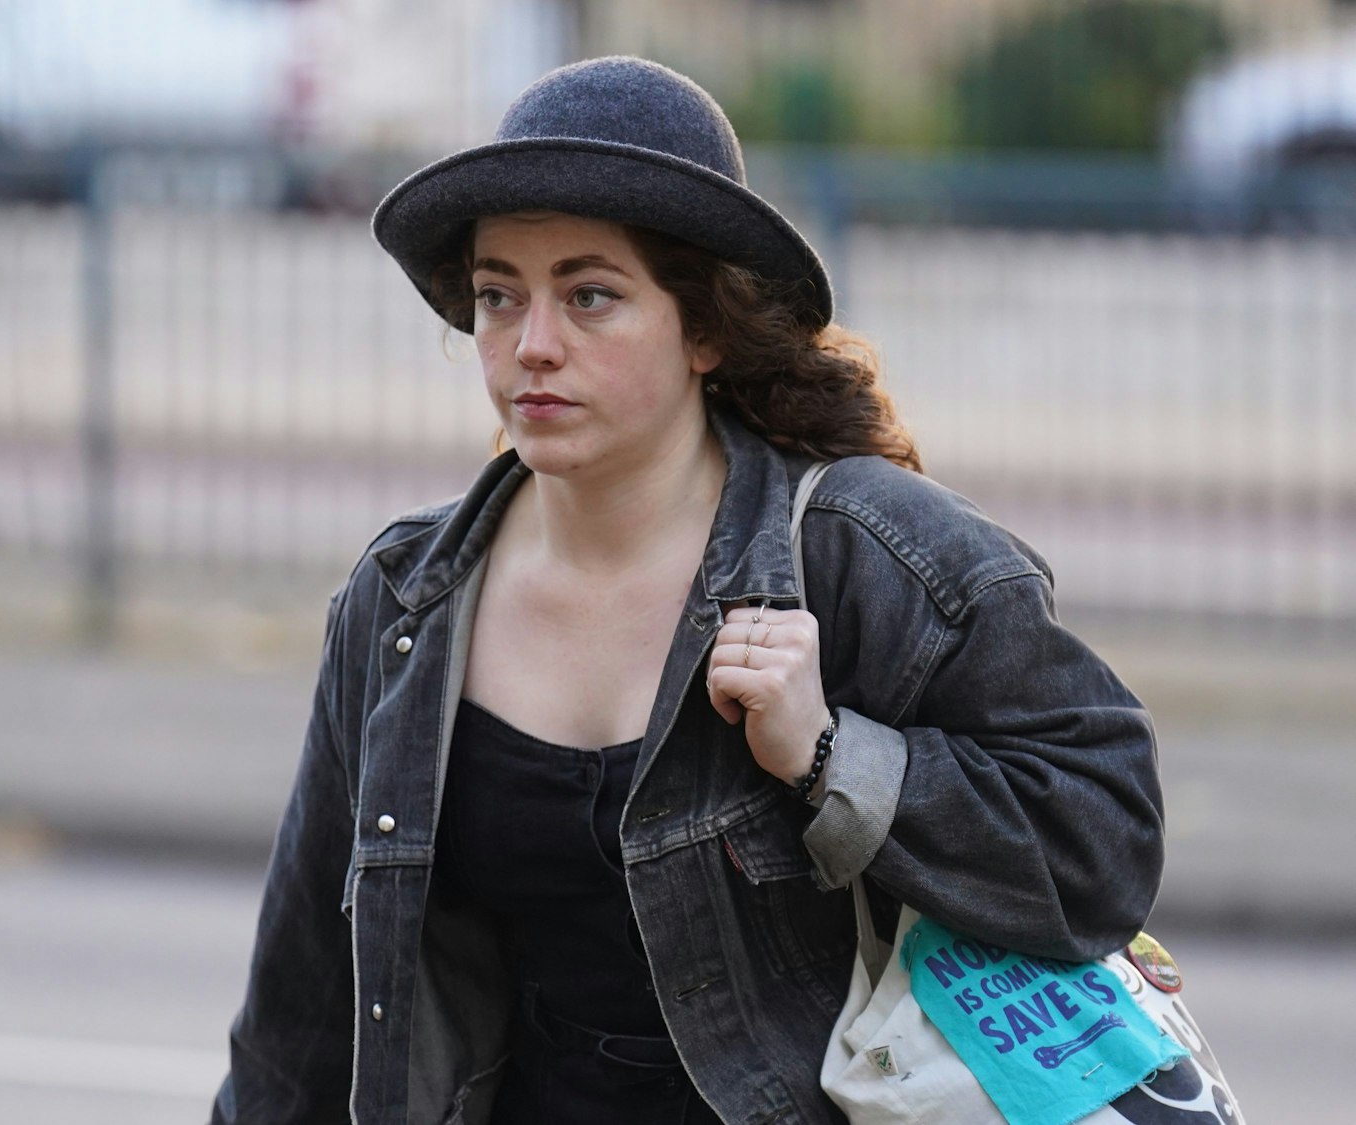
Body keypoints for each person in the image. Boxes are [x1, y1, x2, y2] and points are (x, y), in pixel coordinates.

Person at [210, 57, 1163, 1125]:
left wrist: (829, 757)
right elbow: (304, 993)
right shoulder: (404, 604)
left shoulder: (869, 560)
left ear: (703, 327)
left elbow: (1103, 848)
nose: (531, 345)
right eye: (496, 296)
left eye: (589, 295)